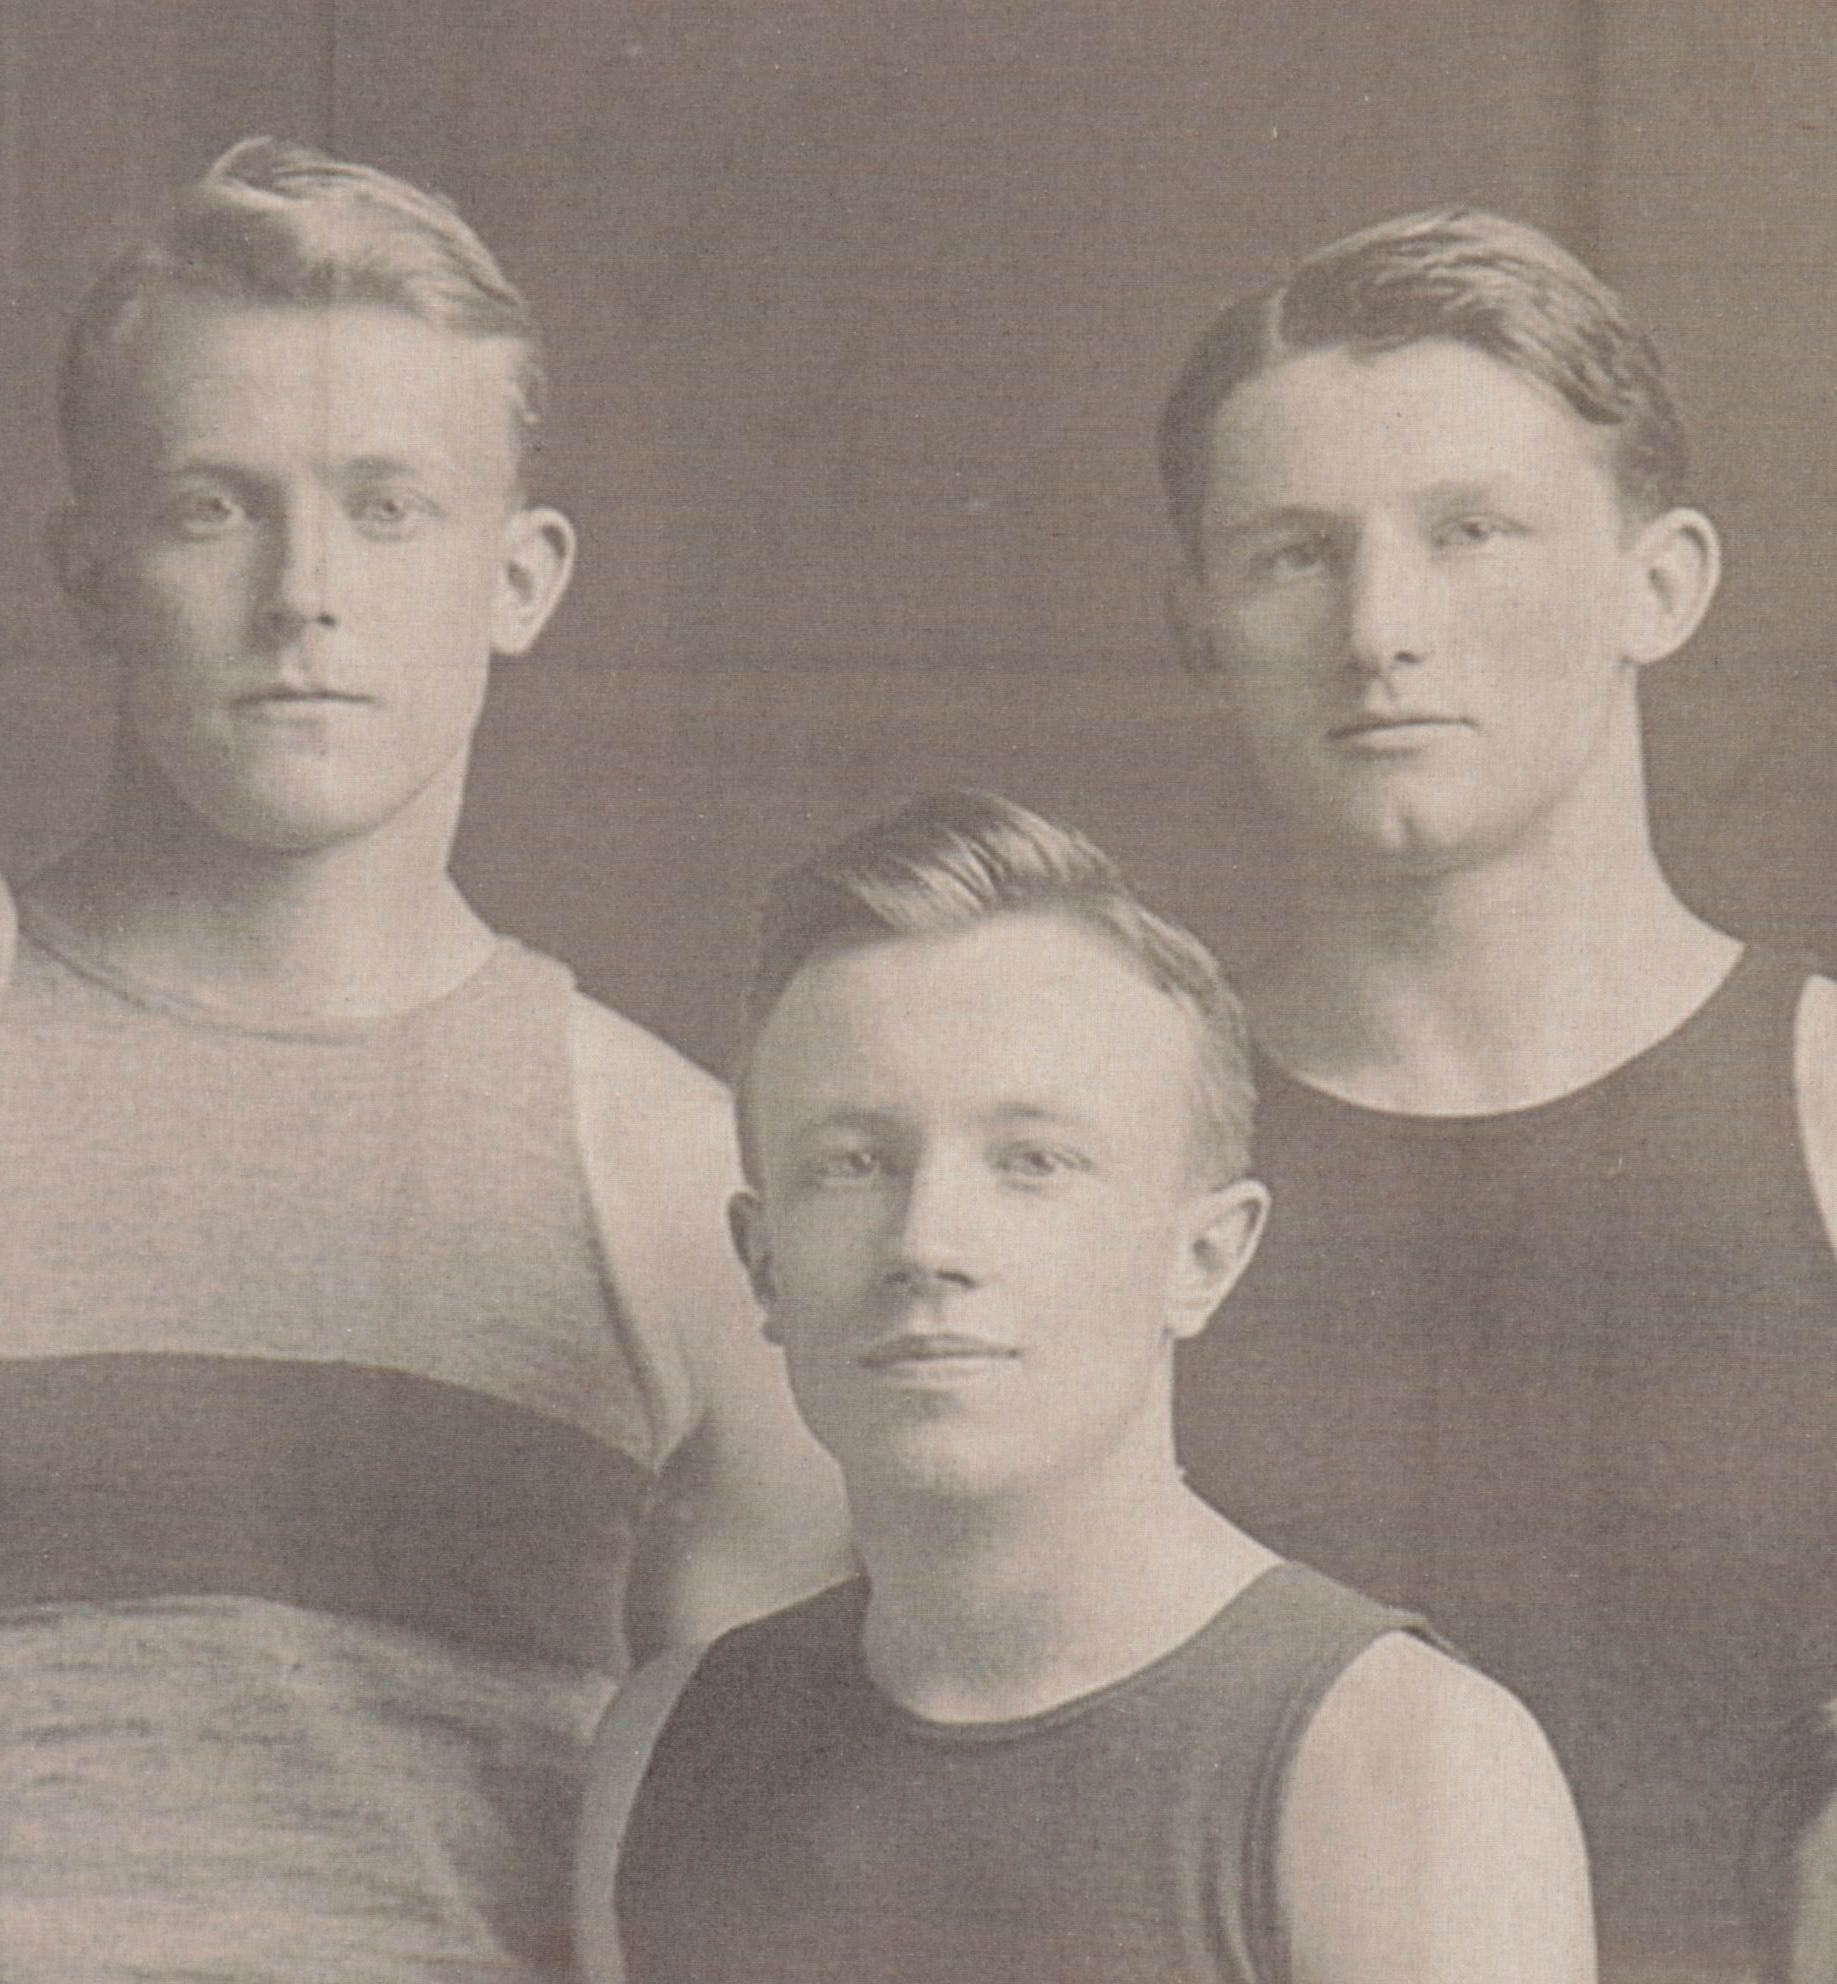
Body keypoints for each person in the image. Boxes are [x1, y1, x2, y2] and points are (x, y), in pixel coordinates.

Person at [0, 138, 846, 1984]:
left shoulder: (674, 1179)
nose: (305, 590)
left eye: (388, 507)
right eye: (214, 506)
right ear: (90, 572)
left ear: (520, 575)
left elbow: (760, 1894)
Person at [575, 790, 1595, 1984]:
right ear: (762, 1263)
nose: (926, 1240)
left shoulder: (1400, 1767)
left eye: (1032, 1162)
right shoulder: (669, 1749)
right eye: (852, 1162)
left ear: (1202, 1256)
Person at [1155, 206, 1837, 1982]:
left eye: (1469, 532)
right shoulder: (1095, 1136)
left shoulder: (1825, 1100)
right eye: (1292, 555)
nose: (1379, 627)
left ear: (1657, 580)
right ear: (1197, 620)